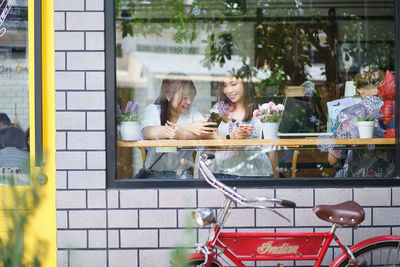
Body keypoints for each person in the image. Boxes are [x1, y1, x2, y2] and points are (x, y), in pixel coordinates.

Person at [140, 73, 215, 178]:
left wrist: (184, 134)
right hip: (154, 174)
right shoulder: (153, 110)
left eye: (192, 96)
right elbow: (148, 132)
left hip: (183, 174)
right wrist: (189, 128)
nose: (189, 101)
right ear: (168, 95)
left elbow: (207, 134)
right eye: (184, 97)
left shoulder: (192, 111)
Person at [209, 65, 275, 178]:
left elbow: (271, 146)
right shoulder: (220, 109)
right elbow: (208, 140)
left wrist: (276, 176)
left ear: (246, 83)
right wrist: (231, 136)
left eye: (234, 84)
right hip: (222, 173)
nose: (228, 90)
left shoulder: (261, 111)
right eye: (225, 85)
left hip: (254, 173)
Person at [328, 72, 395, 178]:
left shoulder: (347, 114)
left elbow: (333, 159)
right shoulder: (394, 111)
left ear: (360, 89)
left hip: (357, 181)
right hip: (393, 180)